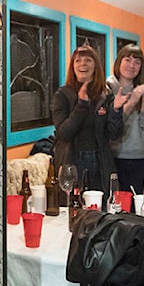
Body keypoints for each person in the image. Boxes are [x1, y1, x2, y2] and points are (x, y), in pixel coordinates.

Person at [52, 45, 123, 193]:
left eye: (88, 60)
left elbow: (114, 134)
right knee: (75, 209)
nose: (83, 64)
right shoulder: (62, 94)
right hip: (72, 162)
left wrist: (116, 110)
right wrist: (82, 105)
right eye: (78, 60)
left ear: (95, 66)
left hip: (100, 162)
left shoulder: (106, 94)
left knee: (99, 208)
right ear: (73, 66)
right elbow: (63, 133)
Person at [106, 44, 144, 193]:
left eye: (137, 62)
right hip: (113, 157)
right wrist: (133, 99)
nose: (132, 65)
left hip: (139, 157)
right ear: (119, 62)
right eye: (127, 60)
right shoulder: (107, 88)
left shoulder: (143, 88)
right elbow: (110, 123)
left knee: (136, 206)